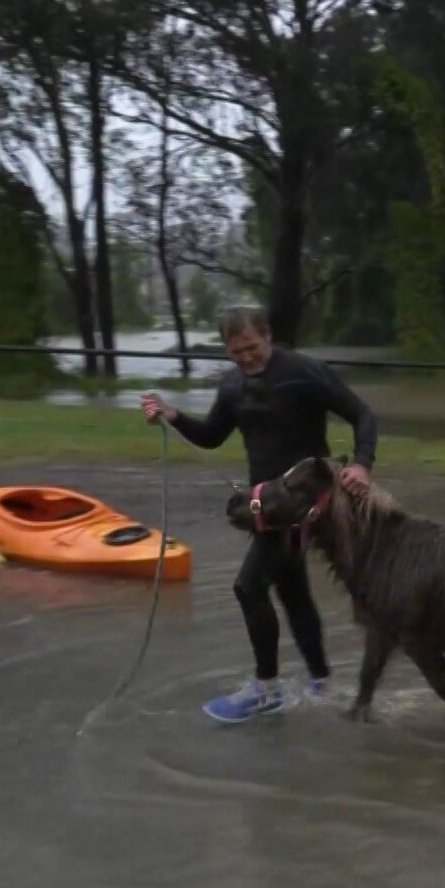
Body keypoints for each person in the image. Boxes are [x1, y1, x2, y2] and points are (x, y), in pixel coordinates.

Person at [140, 305, 377, 723]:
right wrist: (174, 417)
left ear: (267, 335)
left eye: (251, 347)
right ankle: (321, 680)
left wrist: (360, 464)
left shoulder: (304, 372)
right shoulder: (232, 386)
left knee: (248, 587)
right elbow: (212, 436)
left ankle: (266, 689)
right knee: (290, 589)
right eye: (236, 352)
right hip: (265, 503)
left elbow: (362, 414)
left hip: (304, 501)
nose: (245, 358)